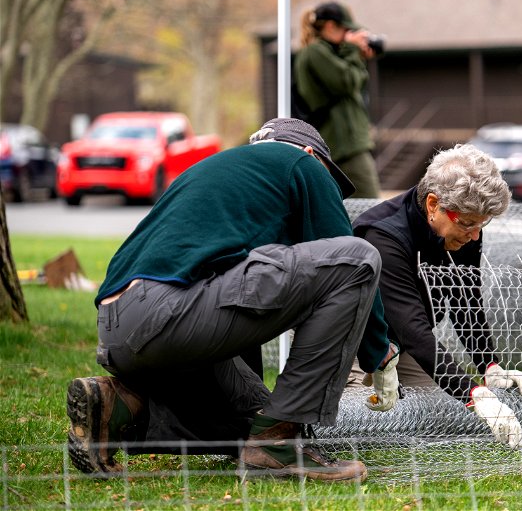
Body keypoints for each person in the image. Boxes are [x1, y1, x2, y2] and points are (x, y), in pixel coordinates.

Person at [66, 118, 400, 482]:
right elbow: (346, 259)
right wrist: (378, 352)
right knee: (359, 258)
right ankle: (276, 449)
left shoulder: (220, 176)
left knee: (259, 422)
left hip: (122, 329)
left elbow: (239, 291)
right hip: (168, 313)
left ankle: (122, 406)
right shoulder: (301, 163)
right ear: (309, 152)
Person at [350, 144, 522, 449]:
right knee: (365, 423)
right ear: (433, 204)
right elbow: (414, 329)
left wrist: (490, 368)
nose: (475, 236)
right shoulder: (383, 238)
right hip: (354, 345)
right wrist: (474, 394)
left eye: (482, 224)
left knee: (435, 419)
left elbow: (466, 300)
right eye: (468, 224)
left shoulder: (462, 225)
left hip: (403, 344)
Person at [295, 1, 381, 198]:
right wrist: (352, 52)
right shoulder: (315, 52)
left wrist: (356, 55)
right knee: (370, 207)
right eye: (346, 29)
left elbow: (354, 80)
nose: (348, 36)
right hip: (344, 148)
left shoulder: (327, 53)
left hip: (344, 145)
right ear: (331, 26)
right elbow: (346, 82)